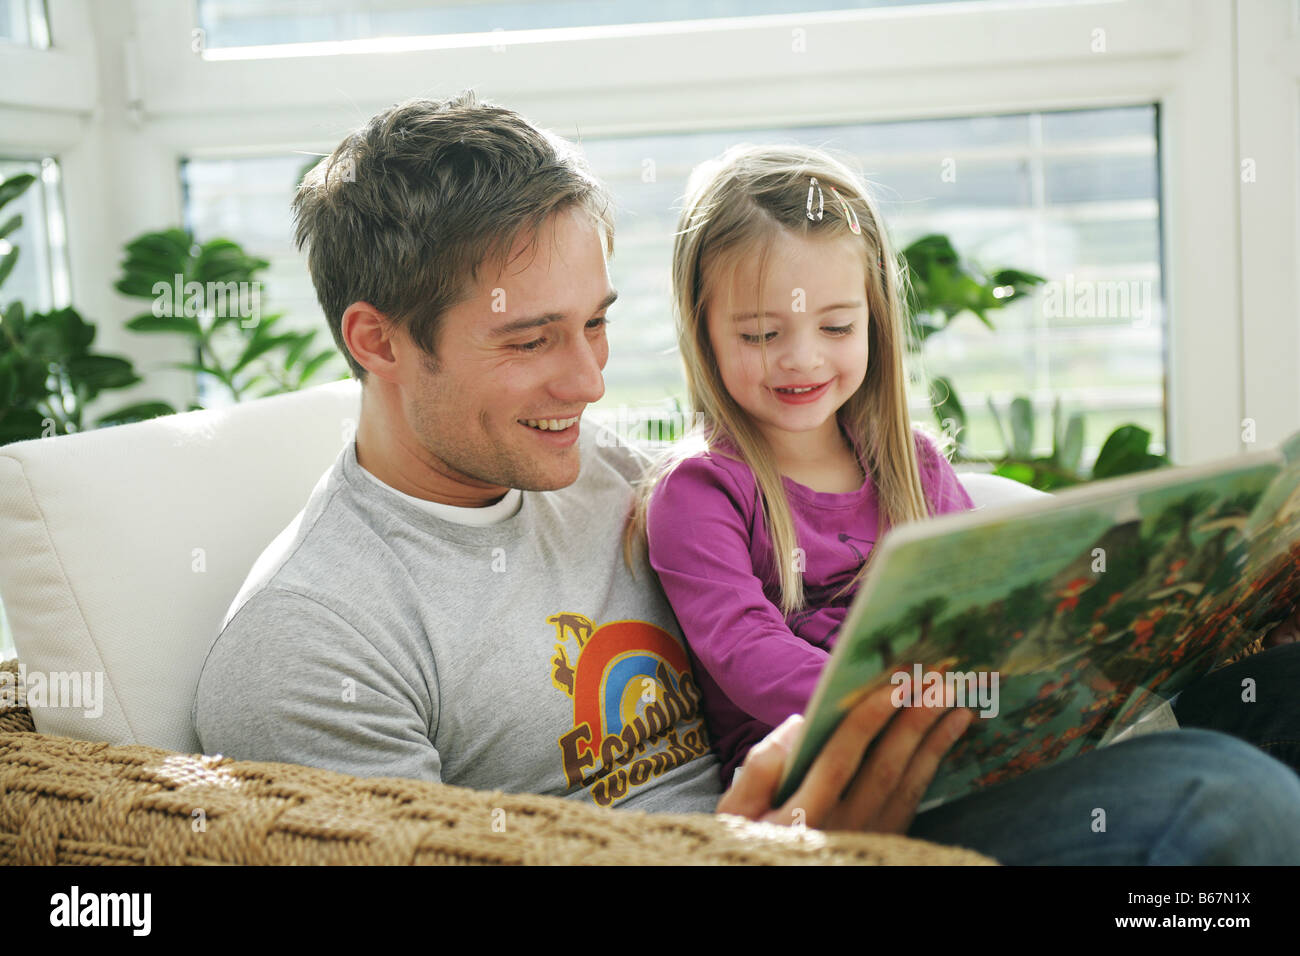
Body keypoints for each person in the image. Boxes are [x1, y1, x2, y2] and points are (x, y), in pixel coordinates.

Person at [192, 90, 1300, 864]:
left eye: (596, 324)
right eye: (531, 341)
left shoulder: (600, 474)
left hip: (906, 798)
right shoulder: (313, 639)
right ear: (377, 341)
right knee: (1227, 801)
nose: (587, 381)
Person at [632, 143, 977, 784]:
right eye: (762, 335)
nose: (802, 359)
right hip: (806, 776)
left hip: (955, 742)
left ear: (873, 319)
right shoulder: (700, 492)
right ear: (702, 329)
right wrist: (904, 706)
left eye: (838, 327)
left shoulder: (916, 465)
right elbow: (748, 652)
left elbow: (982, 602)